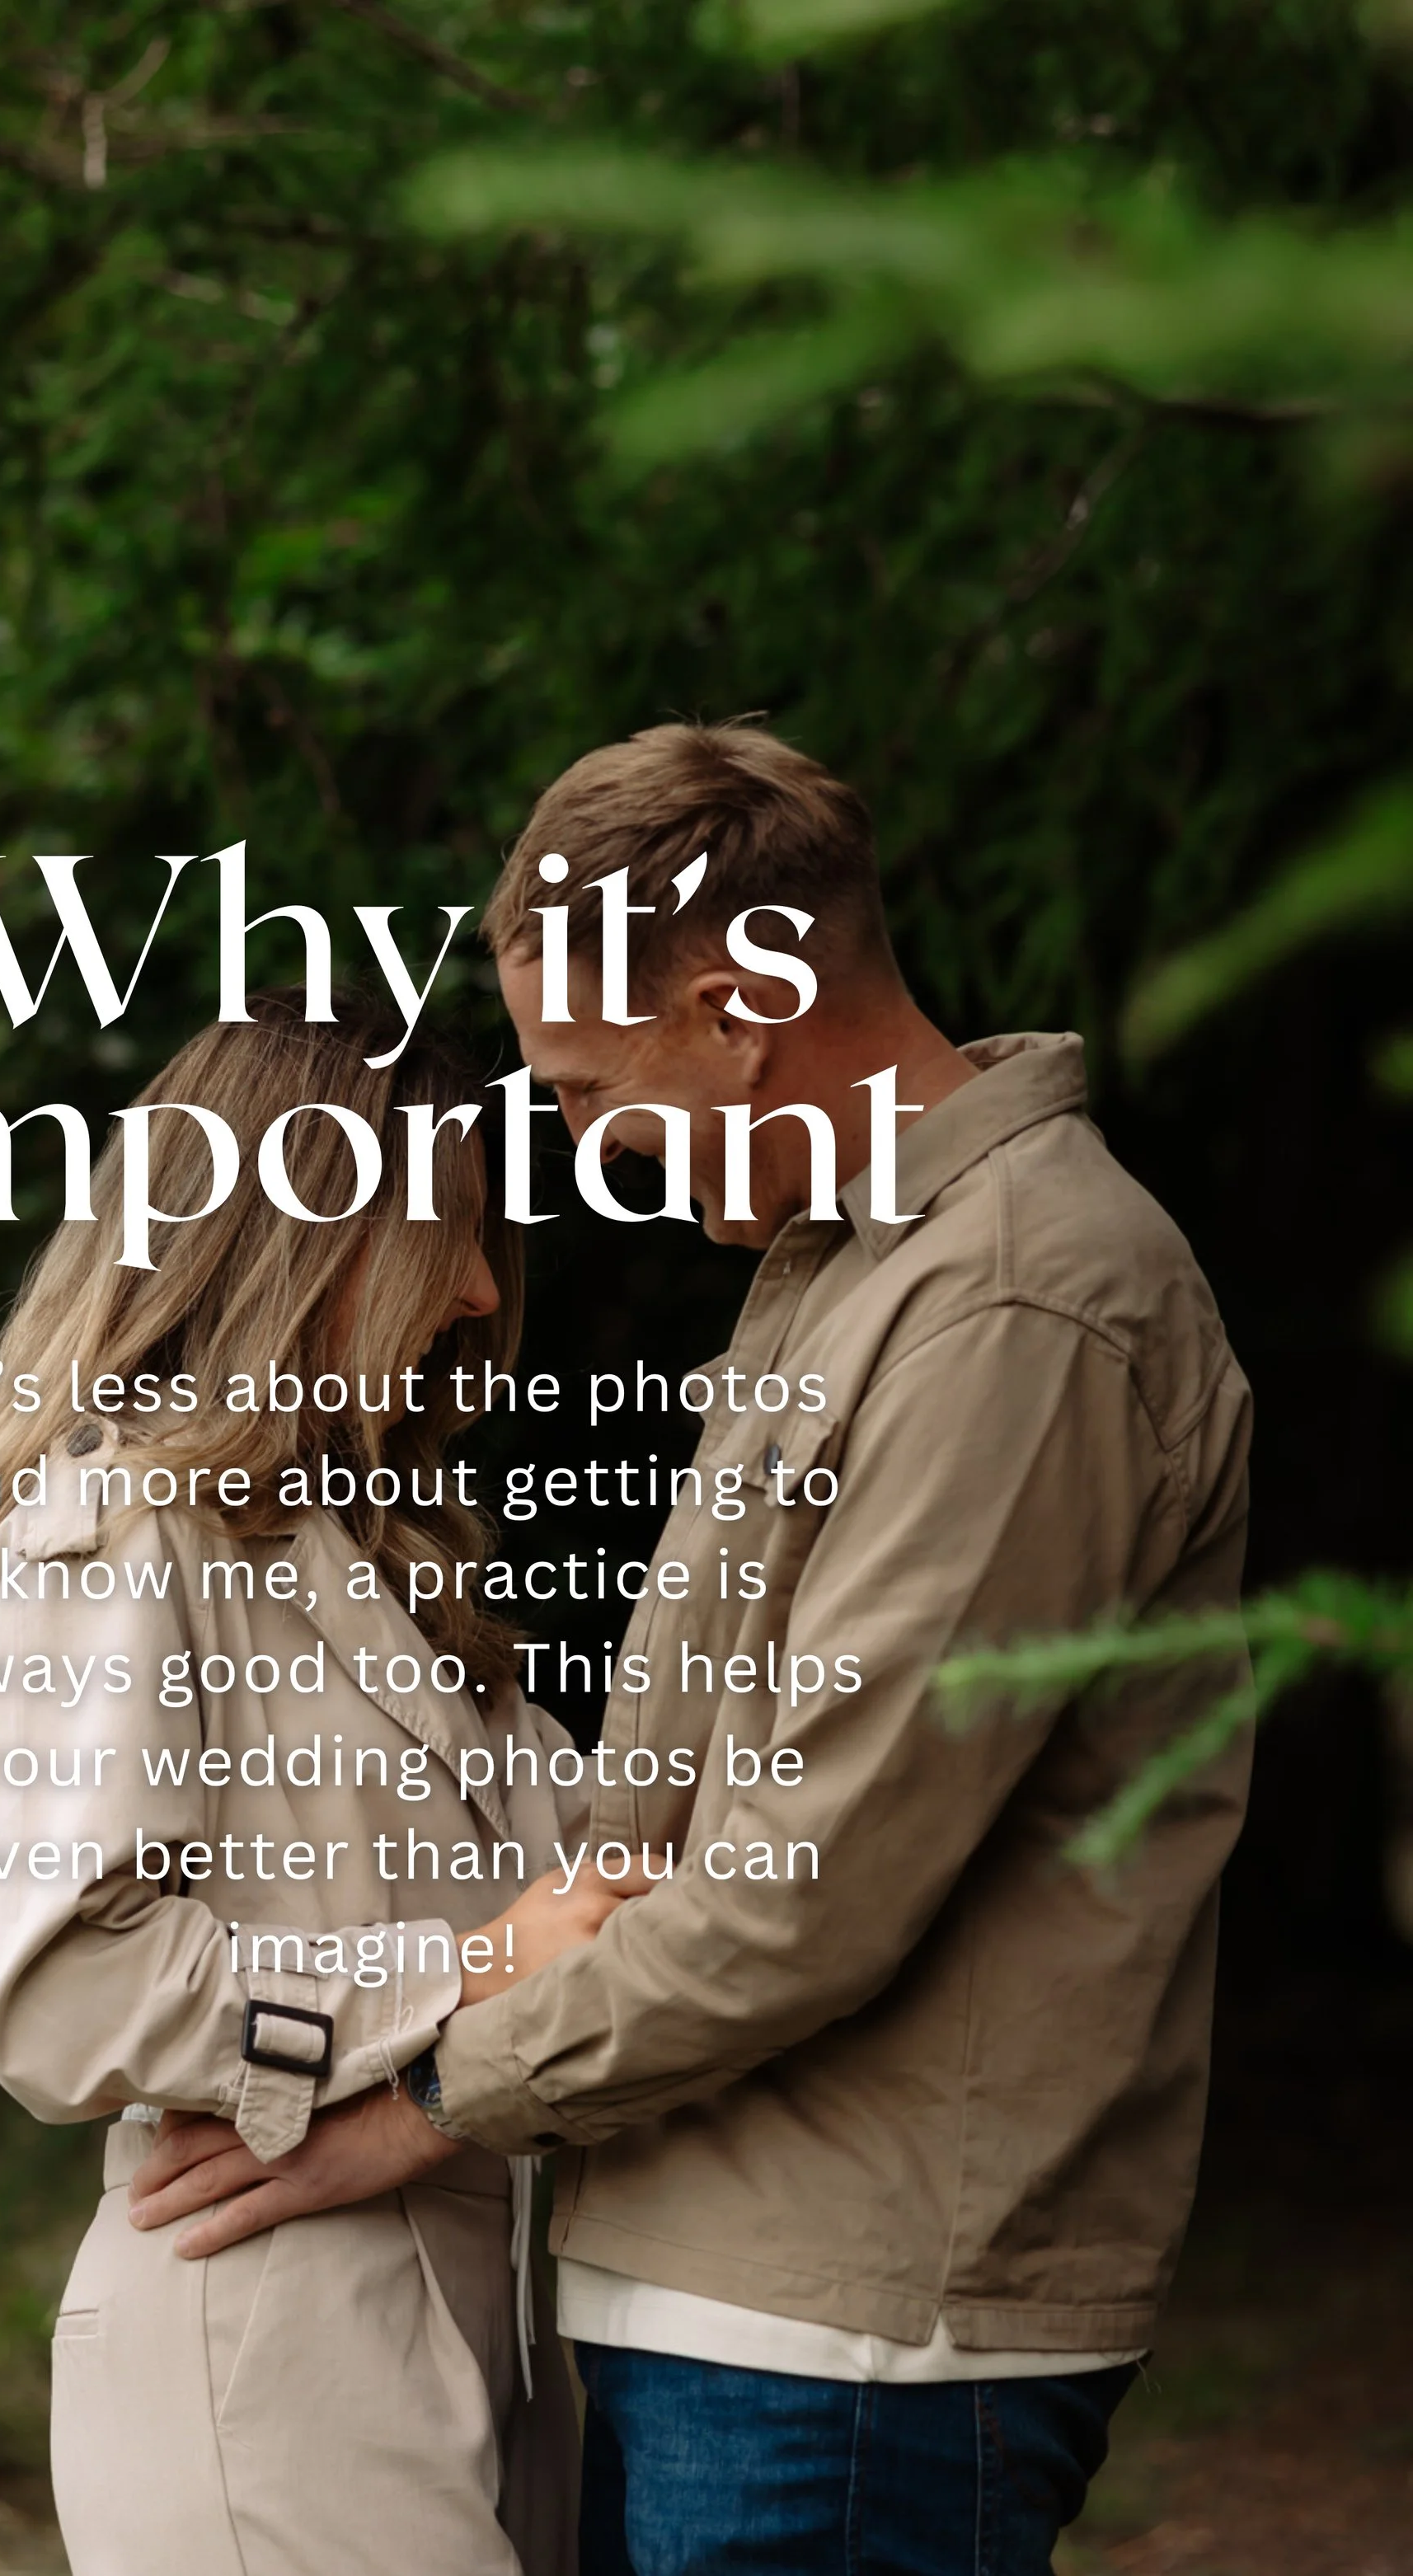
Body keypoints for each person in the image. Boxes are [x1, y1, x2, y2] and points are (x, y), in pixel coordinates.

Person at [128, 722, 1256, 2576]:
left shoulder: (1016, 1301)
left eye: (584, 1089)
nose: (590, 1153)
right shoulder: (851, 1274)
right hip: (725, 2292)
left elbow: (810, 1877)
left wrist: (418, 2100)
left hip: (851, 2336)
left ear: (741, 1002)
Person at [0, 991, 623, 2576]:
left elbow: (598, 1908)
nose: (482, 1290)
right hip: (270, 2337)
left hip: (479, 2321)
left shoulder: (379, 1562)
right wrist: (468, 1977)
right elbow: (65, 1979)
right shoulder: (132, 1537)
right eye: (447, 1239)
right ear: (302, 1242)